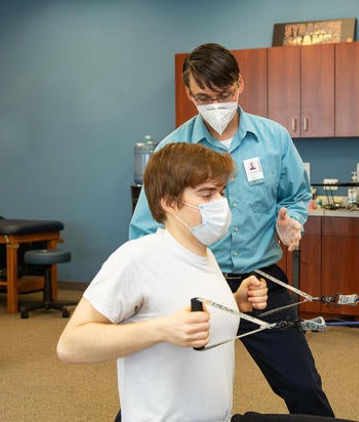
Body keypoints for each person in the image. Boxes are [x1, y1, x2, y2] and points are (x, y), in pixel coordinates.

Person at [130, 43, 335, 417]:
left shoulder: (273, 138)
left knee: (302, 382)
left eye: (224, 94)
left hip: (261, 283)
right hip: (195, 284)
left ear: (240, 84)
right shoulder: (172, 150)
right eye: (204, 97)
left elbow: (296, 194)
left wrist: (291, 221)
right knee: (168, 383)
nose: (216, 104)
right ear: (189, 94)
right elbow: (144, 231)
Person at [57, 143, 268, 422]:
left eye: (221, 192)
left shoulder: (205, 255)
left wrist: (233, 301)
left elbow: (177, 302)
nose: (220, 202)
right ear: (169, 202)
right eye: (207, 194)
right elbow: (70, 345)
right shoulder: (136, 258)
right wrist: (162, 329)